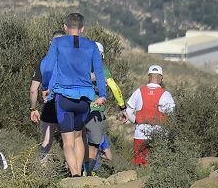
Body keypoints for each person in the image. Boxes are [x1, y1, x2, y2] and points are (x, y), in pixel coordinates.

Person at [40, 12, 107, 177]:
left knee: (67, 141)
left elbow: (48, 67)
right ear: (82, 28)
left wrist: (46, 86)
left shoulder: (58, 43)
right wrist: (102, 94)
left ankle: (75, 175)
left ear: (65, 27)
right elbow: (99, 71)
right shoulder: (91, 46)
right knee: (78, 137)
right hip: (84, 99)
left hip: (64, 97)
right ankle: (80, 174)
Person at [83, 42, 126, 175]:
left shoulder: (79, 63)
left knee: (76, 140)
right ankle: (87, 173)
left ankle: (75, 170)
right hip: (95, 110)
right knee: (94, 144)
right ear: (101, 54)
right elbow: (114, 87)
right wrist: (122, 107)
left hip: (76, 107)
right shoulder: (101, 67)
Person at [122, 65, 175, 166]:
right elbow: (171, 116)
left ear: (149, 77)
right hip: (159, 134)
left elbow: (128, 112)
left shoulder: (138, 91)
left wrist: (136, 122)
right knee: (157, 163)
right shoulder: (166, 94)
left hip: (140, 134)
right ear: (161, 78)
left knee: (140, 163)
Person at [30, 29, 65, 161]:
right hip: (70, 102)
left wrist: (33, 109)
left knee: (46, 140)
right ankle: (78, 173)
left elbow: (33, 90)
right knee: (72, 139)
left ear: (51, 43)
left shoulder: (44, 62)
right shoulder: (73, 61)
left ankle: (41, 171)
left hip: (50, 103)